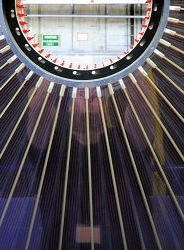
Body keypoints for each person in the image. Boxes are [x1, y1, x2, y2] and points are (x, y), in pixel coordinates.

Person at [27, 84, 155, 249]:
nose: (89, 94)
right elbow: (38, 111)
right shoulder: (54, 143)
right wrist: (53, 73)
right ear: (69, 108)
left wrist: (130, 70)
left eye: (96, 94)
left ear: (106, 106)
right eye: (81, 93)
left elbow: (144, 111)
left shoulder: (124, 141)